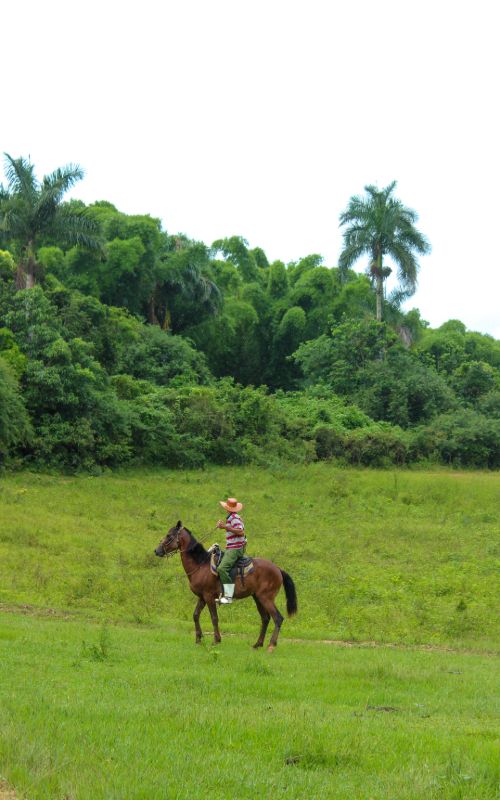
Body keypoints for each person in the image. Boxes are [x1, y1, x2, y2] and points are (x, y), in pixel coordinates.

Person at [216, 497, 247, 604]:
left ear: (227, 508)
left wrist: (225, 527)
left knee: (221, 568)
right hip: (233, 547)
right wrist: (224, 525)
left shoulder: (234, 518)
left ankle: (229, 596)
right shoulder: (232, 517)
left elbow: (241, 532)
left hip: (235, 548)